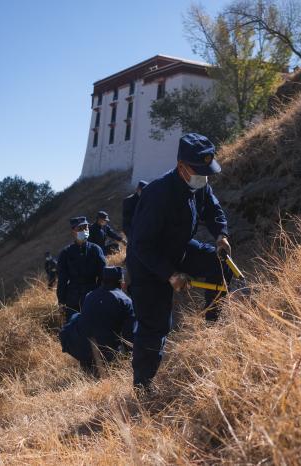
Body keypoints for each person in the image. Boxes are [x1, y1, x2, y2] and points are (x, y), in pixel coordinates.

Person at [127, 133, 233, 391]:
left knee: (220, 265)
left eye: (206, 172)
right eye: (198, 171)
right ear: (181, 167)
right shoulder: (157, 194)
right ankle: (143, 387)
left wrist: (221, 235)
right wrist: (170, 274)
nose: (204, 177)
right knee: (157, 326)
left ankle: (212, 328)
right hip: (149, 265)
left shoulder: (200, 186)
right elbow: (141, 245)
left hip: (180, 250)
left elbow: (213, 210)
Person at [59, 266, 135, 375]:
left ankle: (88, 365)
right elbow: (130, 335)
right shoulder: (125, 301)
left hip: (81, 349)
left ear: (102, 281)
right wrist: (129, 358)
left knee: (76, 317)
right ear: (121, 282)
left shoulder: (90, 295)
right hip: (107, 354)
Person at [57, 216, 107, 322]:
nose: (84, 231)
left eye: (86, 228)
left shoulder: (95, 250)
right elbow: (62, 280)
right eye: (80, 229)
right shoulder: (65, 253)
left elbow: (103, 275)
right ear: (73, 231)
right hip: (73, 298)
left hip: (92, 295)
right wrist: (61, 301)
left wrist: (99, 293)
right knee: (74, 326)